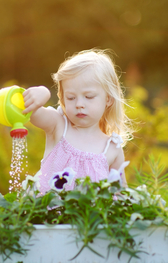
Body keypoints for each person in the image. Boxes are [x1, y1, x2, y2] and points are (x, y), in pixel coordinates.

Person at [22, 49, 133, 194]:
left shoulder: (112, 148)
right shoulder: (58, 125)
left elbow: (121, 194)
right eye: (71, 98)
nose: (79, 104)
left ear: (108, 99)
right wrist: (42, 93)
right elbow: (32, 113)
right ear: (62, 98)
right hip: (50, 215)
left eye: (89, 96)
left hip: (90, 217)